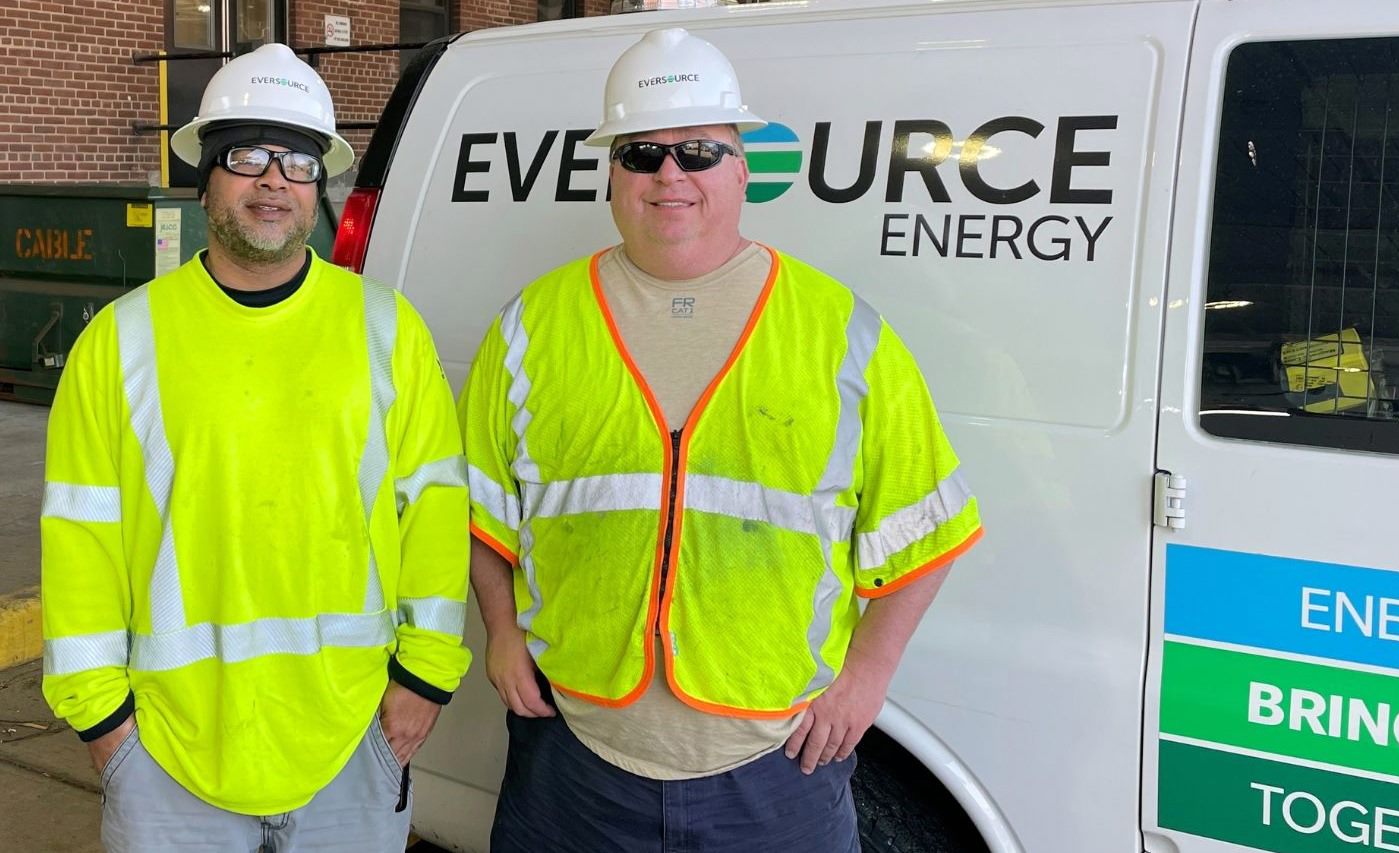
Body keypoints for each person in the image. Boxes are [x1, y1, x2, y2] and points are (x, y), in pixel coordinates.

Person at [461, 27, 983, 852]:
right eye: (641, 154)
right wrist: (497, 631)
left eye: (698, 151)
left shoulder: (839, 332)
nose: (670, 175)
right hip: (571, 754)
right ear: (612, 175)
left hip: (772, 770)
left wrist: (864, 682)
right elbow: (482, 504)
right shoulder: (533, 325)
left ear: (742, 167)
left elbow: (929, 527)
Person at [40, 43, 471, 852]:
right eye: (247, 156)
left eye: (299, 161)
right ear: (206, 178)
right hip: (168, 749)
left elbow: (436, 510)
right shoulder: (121, 341)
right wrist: (103, 722)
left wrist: (424, 677)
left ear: (318, 186)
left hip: (352, 735)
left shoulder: (386, 329)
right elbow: (80, 539)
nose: (274, 180)